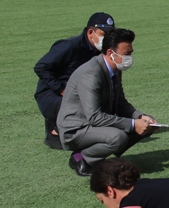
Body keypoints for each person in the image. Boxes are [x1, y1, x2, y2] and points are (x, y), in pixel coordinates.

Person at [58, 28, 155, 176]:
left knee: (146, 127)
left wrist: (141, 117)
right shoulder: (91, 74)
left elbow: (121, 103)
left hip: (92, 123)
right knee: (118, 137)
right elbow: (94, 117)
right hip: (76, 129)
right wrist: (133, 124)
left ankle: (99, 155)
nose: (130, 57)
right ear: (111, 53)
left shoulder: (115, 67)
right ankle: (80, 157)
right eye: (127, 53)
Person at [34, 11, 114, 149]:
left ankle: (76, 128)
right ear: (90, 32)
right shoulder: (70, 46)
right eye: (104, 34)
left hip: (73, 95)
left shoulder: (100, 51)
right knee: (85, 104)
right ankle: (55, 133)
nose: (108, 39)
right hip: (50, 96)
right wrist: (61, 89)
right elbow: (41, 67)